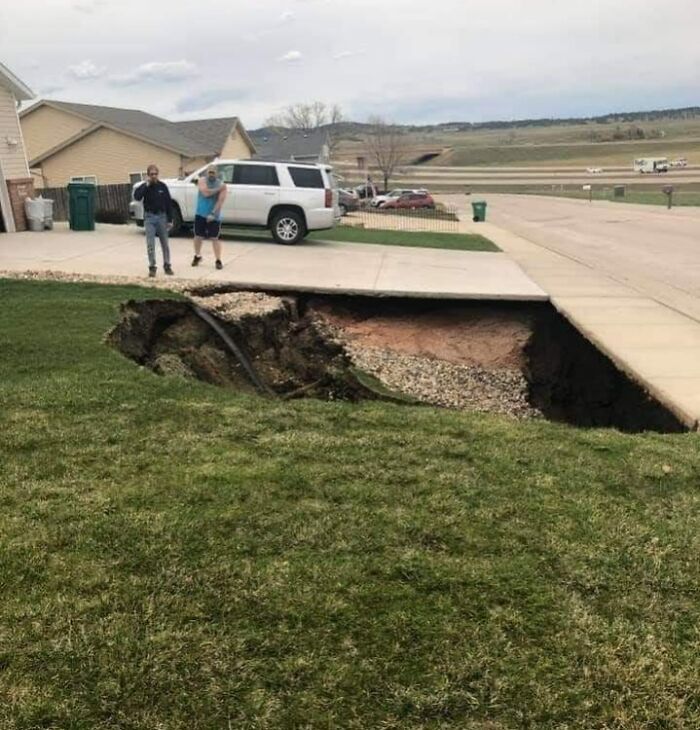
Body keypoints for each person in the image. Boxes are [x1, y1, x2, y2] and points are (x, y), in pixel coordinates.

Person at [133, 163, 174, 277]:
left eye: (155, 174)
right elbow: (137, 197)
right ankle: (152, 266)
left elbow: (168, 203)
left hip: (162, 217)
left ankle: (167, 265)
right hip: (150, 217)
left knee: (165, 243)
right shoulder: (145, 187)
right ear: (148, 175)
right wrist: (146, 184)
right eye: (151, 174)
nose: (154, 176)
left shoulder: (162, 186)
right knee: (150, 243)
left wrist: (170, 220)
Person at [192, 164, 227, 270]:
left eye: (213, 172)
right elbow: (205, 193)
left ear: (217, 173)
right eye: (209, 172)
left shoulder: (222, 185)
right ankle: (197, 256)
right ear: (207, 172)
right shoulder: (202, 181)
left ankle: (218, 260)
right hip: (200, 213)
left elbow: (220, 201)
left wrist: (212, 213)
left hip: (214, 215)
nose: (211, 174)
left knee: (214, 238)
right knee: (198, 236)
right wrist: (218, 189)